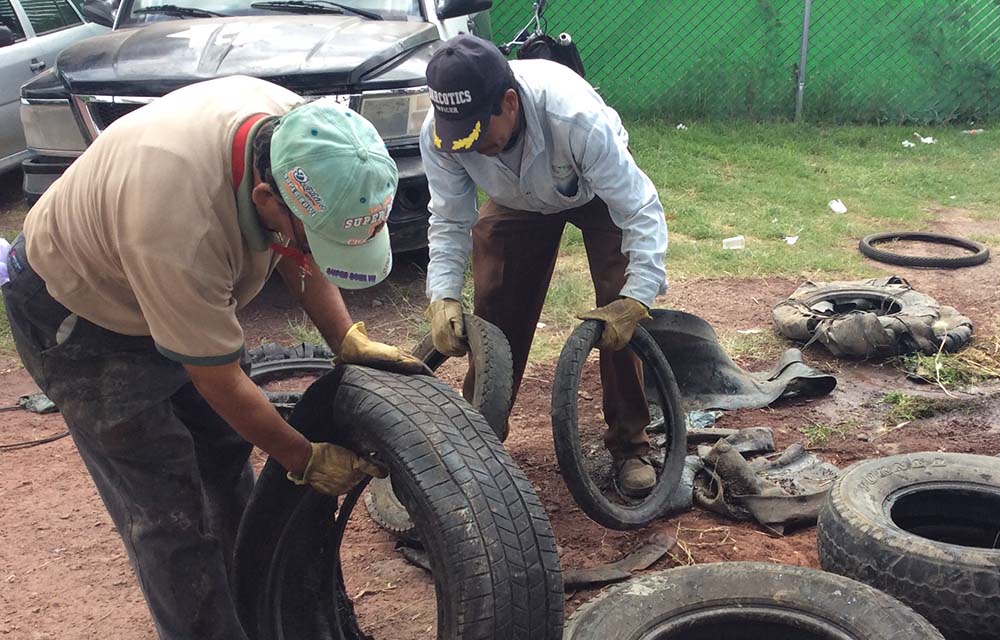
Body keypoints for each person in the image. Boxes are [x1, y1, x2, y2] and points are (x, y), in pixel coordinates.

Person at [1, 75, 427, 640]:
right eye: (305, 233)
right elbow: (219, 380)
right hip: (83, 316)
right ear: (265, 199)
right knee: (168, 513)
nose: (307, 247)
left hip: (156, 274)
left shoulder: (312, 141)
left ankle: (265, 617)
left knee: (225, 462)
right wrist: (302, 456)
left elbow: (303, 250)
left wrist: (345, 337)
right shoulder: (179, 221)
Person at [420, 34, 670, 497]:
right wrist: (444, 294)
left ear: (509, 103)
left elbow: (639, 208)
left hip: (591, 189)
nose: (469, 148)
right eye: (459, 138)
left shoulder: (575, 118)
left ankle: (631, 444)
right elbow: (450, 218)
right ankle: (480, 437)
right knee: (494, 304)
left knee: (621, 305)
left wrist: (639, 295)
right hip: (516, 198)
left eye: (478, 133)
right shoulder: (443, 137)